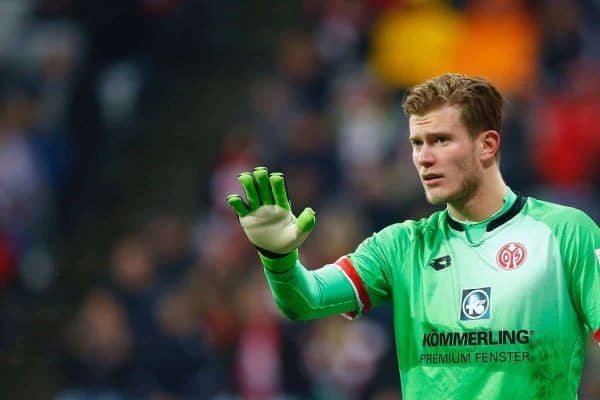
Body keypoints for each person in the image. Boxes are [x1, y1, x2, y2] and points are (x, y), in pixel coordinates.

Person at [226, 73, 600, 399]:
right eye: (417, 143)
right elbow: (306, 300)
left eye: (441, 141)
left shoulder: (564, 233)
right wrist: (279, 261)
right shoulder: (399, 247)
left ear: (487, 145)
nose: (424, 158)